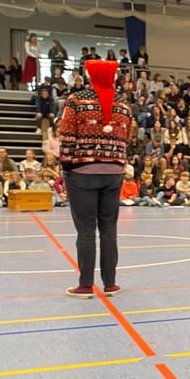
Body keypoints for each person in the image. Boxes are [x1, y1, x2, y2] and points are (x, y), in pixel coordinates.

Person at [58, 60, 132, 299]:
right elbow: (128, 137)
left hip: (82, 172)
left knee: (86, 230)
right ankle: (110, 283)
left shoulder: (77, 101)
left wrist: (67, 165)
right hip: (114, 173)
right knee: (109, 230)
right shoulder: (124, 105)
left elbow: (67, 135)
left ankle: (85, 285)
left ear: (90, 76)